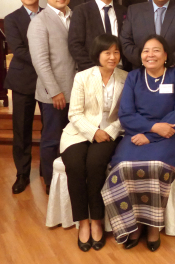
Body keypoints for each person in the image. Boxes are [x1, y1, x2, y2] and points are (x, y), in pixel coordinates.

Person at [103, 35, 175, 251]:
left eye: (156, 50)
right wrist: (151, 128)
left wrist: (152, 135)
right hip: (136, 135)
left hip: (171, 137)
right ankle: (131, 225)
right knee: (122, 169)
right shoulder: (133, 77)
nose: (150, 54)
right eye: (146, 50)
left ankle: (153, 227)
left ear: (165, 55)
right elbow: (125, 114)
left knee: (157, 167)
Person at [59, 34, 128, 252]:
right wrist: (93, 131)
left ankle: (97, 220)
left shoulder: (126, 77)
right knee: (76, 166)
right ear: (97, 54)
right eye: (107, 52)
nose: (112, 56)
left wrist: (108, 131)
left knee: (96, 165)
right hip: (79, 132)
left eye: (116, 52)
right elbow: (75, 113)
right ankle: (83, 222)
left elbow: (125, 114)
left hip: (110, 132)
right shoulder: (82, 77)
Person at [27, 0, 76, 194]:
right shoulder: (39, 22)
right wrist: (55, 92)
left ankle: (69, 178)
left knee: (72, 137)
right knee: (51, 139)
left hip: (77, 91)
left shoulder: (75, 16)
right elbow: (40, 62)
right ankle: (49, 181)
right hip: (54, 95)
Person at [5, 0, 43, 194]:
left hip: (49, 82)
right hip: (22, 80)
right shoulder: (12, 19)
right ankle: (22, 174)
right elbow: (18, 50)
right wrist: (45, 60)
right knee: (22, 129)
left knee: (51, 128)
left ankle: (48, 173)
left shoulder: (51, 15)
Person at [69, 0, 128, 71]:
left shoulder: (124, 11)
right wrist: (96, 69)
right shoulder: (81, 11)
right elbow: (75, 45)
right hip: (92, 71)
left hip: (122, 70)